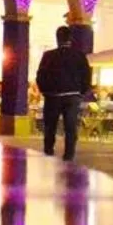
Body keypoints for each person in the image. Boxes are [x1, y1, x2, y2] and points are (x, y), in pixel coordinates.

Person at [34, 25, 92, 162]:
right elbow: (86, 75)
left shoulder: (48, 56)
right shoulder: (79, 55)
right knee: (70, 128)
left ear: (57, 39)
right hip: (72, 96)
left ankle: (48, 151)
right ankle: (69, 155)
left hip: (53, 96)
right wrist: (81, 92)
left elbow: (40, 75)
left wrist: (45, 91)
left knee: (50, 126)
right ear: (70, 38)